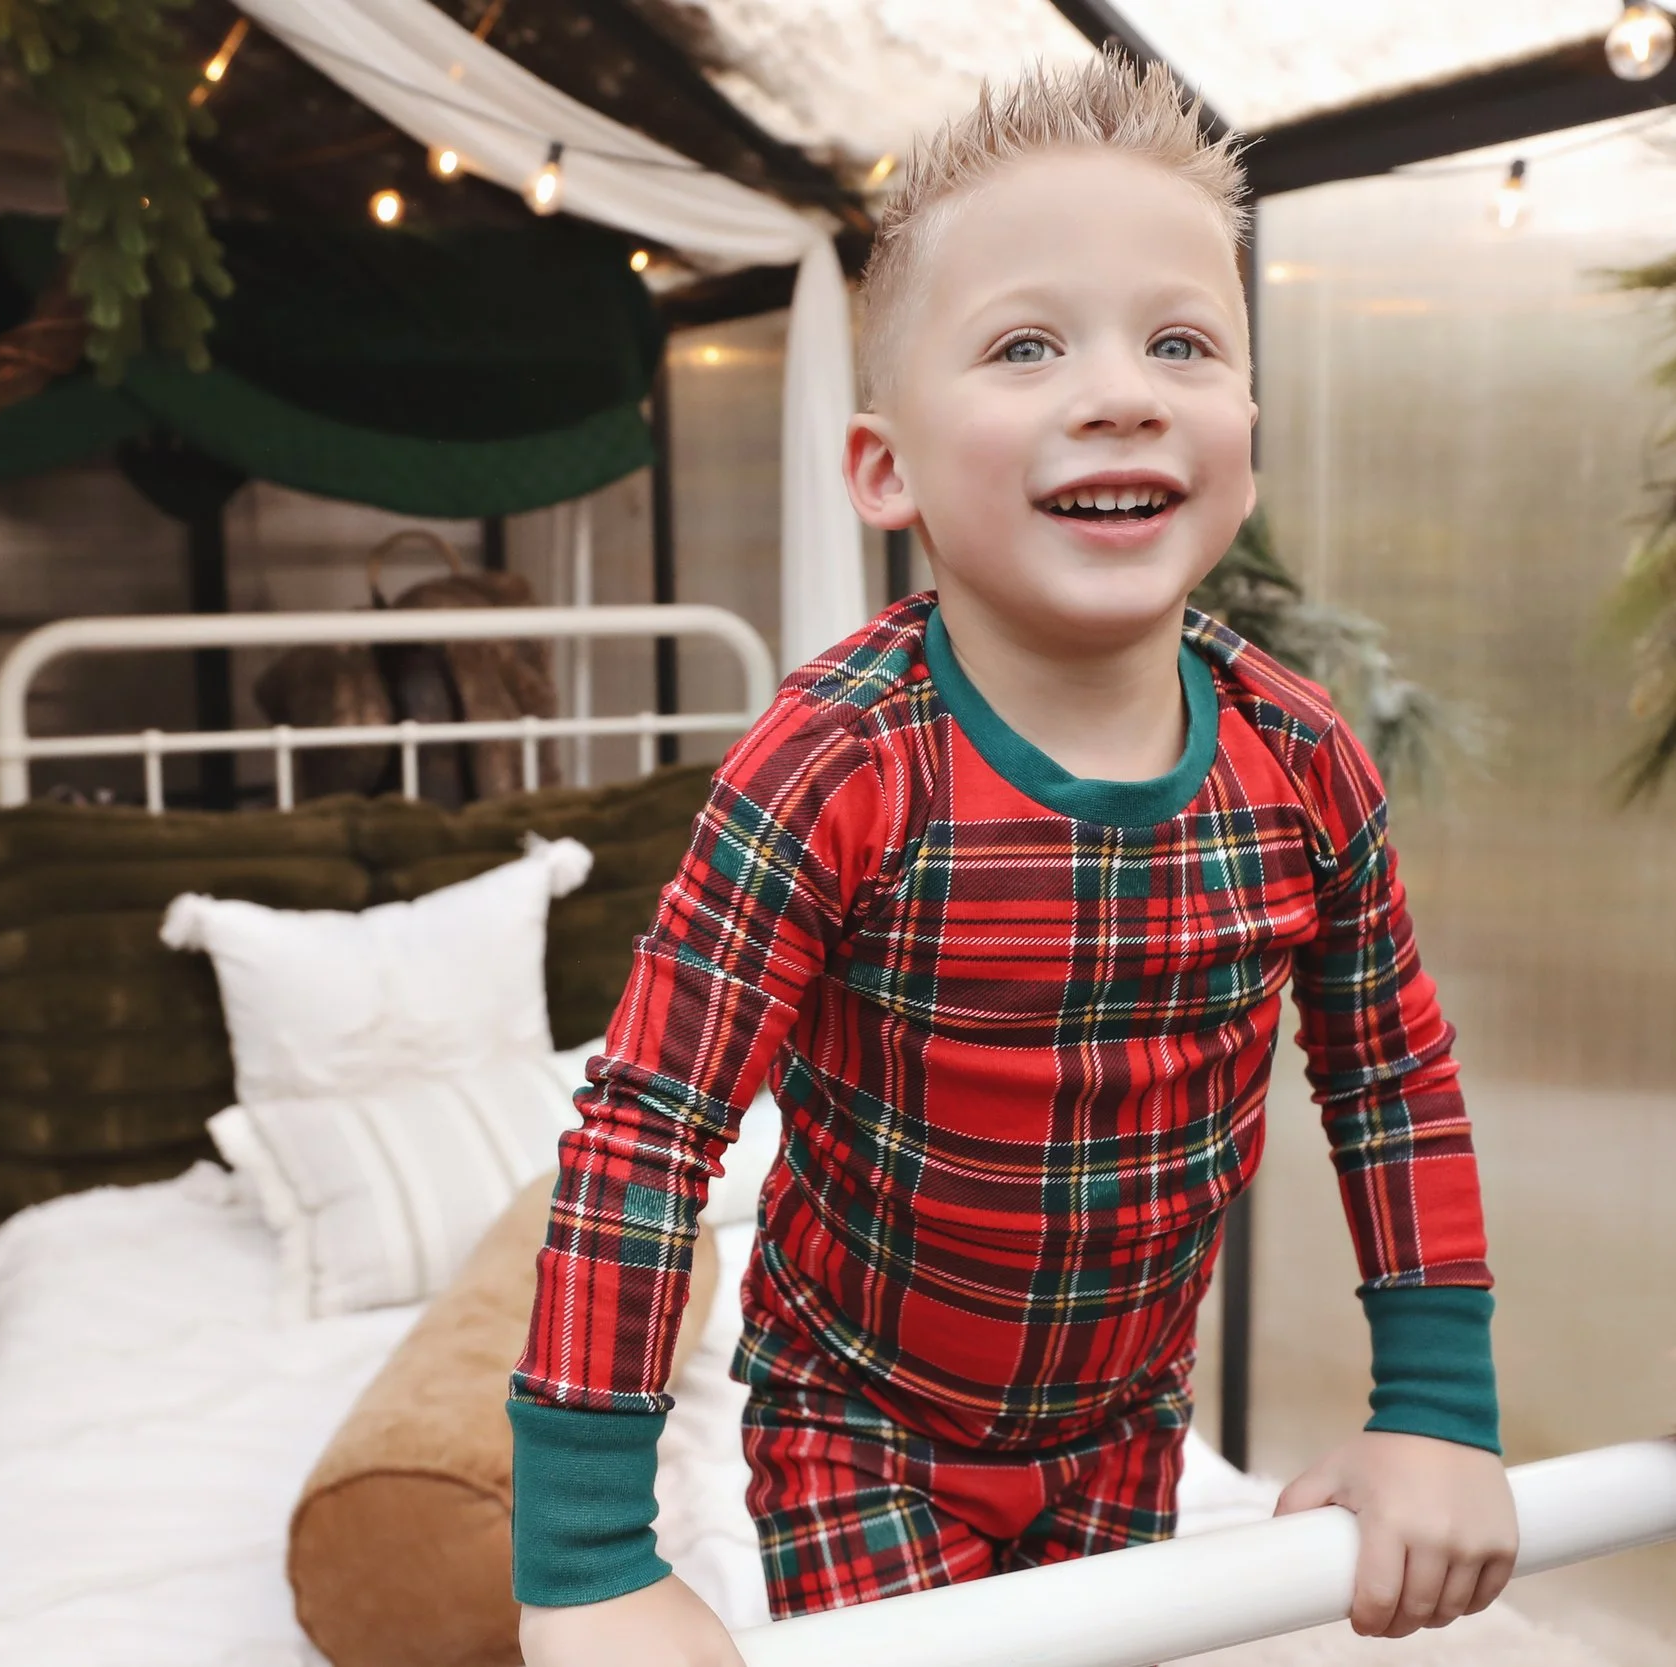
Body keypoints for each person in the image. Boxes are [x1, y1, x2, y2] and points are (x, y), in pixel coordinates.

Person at [508, 51, 1518, 1667]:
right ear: (885, 470)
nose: (1119, 389)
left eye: (1181, 341)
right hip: (858, 1415)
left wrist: (1441, 1414)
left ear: (1246, 429)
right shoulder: (835, 760)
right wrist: (582, 1561)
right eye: (1027, 344)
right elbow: (648, 1130)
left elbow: (1393, 1081)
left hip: (1125, 1418)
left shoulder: (1302, 759)